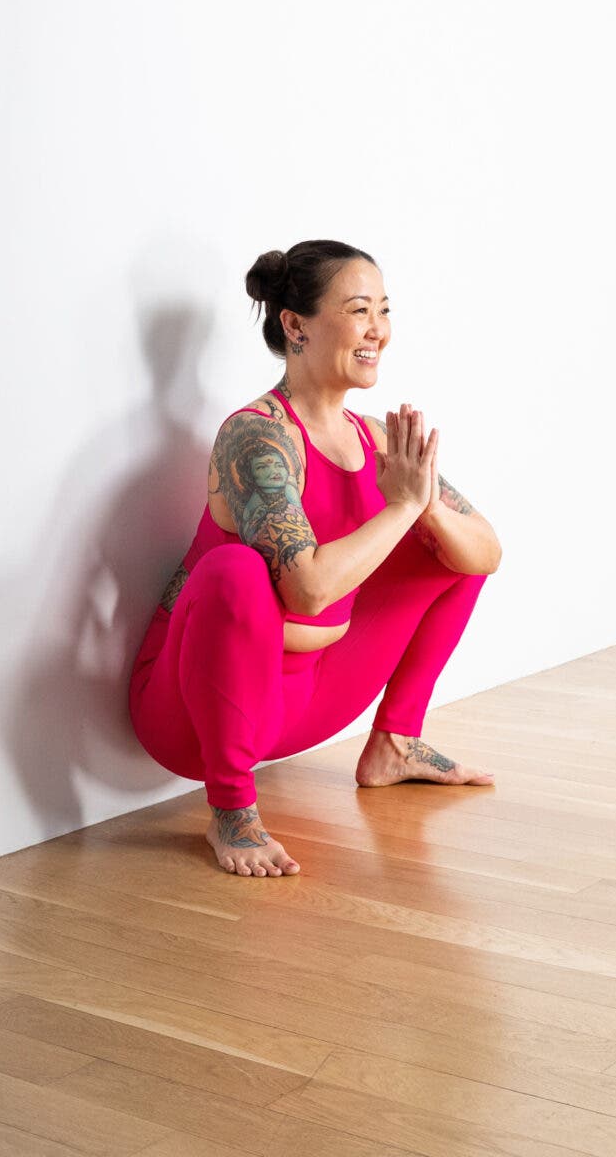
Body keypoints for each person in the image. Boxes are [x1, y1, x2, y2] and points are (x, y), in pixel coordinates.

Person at [128, 240, 502, 877]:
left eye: (384, 311)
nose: (377, 331)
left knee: (449, 549)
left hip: (313, 694)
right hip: (195, 714)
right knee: (237, 571)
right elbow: (304, 591)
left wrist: (422, 508)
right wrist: (399, 508)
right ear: (295, 325)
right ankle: (232, 812)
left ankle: (394, 742)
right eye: (359, 310)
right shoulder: (257, 435)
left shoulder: (375, 438)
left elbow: (487, 551)